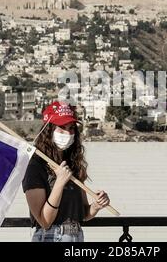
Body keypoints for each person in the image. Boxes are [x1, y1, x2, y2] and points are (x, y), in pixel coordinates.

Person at [22, 101, 110, 242]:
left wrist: (96, 206)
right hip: (50, 236)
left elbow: (83, 214)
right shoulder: (35, 166)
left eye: (71, 128)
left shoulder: (73, 165)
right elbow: (44, 221)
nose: (68, 133)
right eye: (62, 127)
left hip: (76, 235)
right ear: (49, 130)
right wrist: (59, 183)